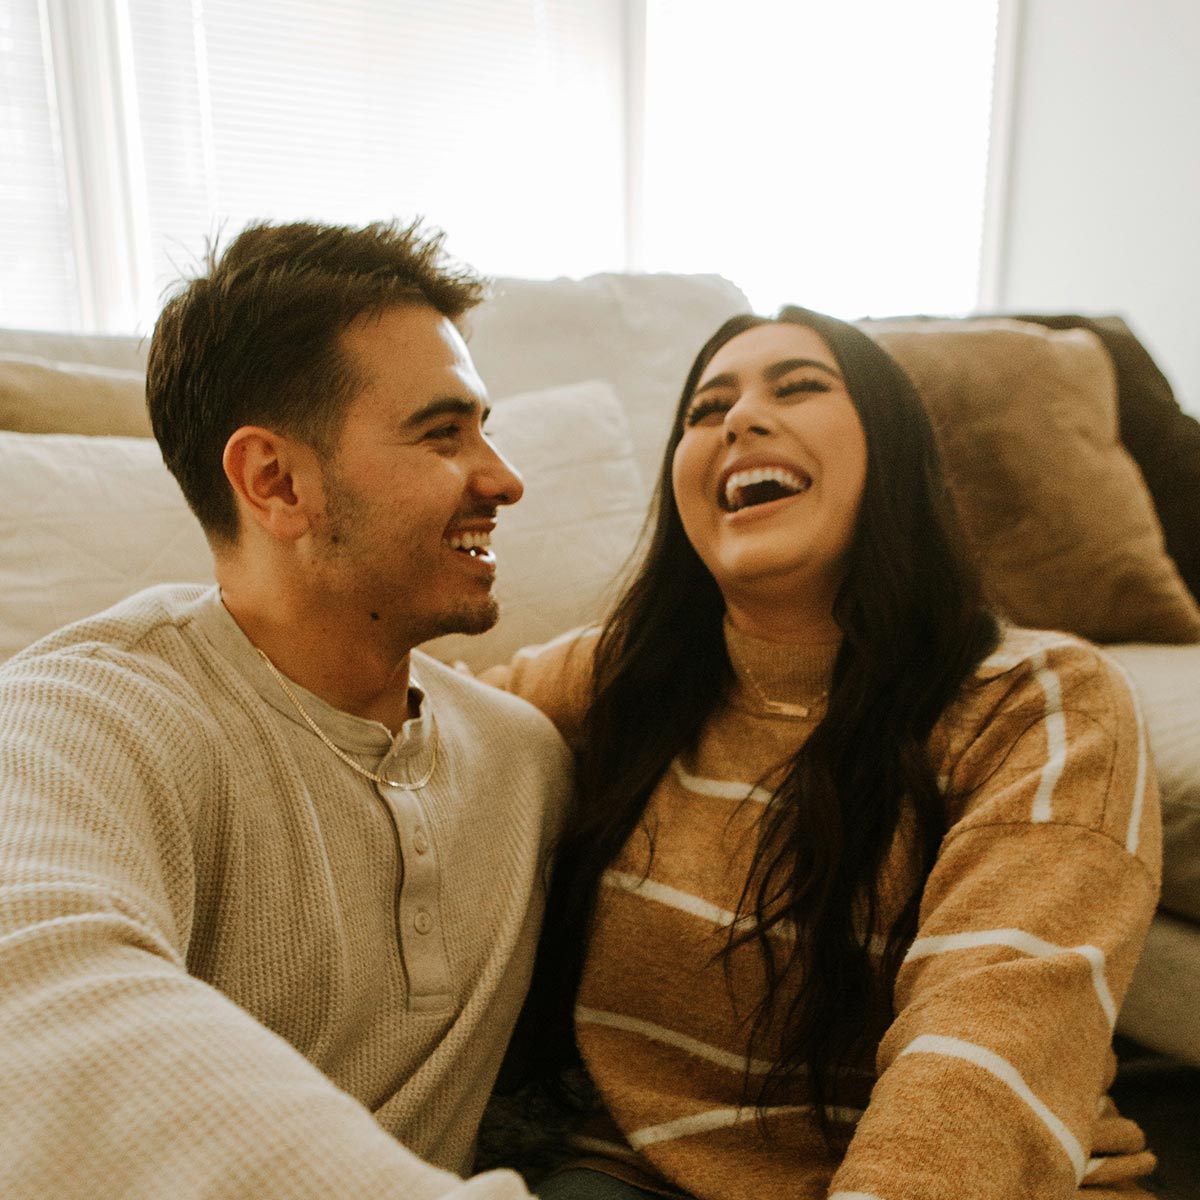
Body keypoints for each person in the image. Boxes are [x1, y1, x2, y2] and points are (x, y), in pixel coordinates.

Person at [485, 307, 1162, 1199]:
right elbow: (426, 720)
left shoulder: (1041, 700)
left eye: (799, 387)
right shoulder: (625, 671)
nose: (740, 418)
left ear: (893, 450)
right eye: (705, 407)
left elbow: (986, 1043)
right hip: (639, 1171)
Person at [0, 219, 572, 1199]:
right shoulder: (81, 718)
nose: (504, 478)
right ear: (276, 482)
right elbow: (36, 994)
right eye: (445, 432)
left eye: (486, 426)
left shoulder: (529, 762)